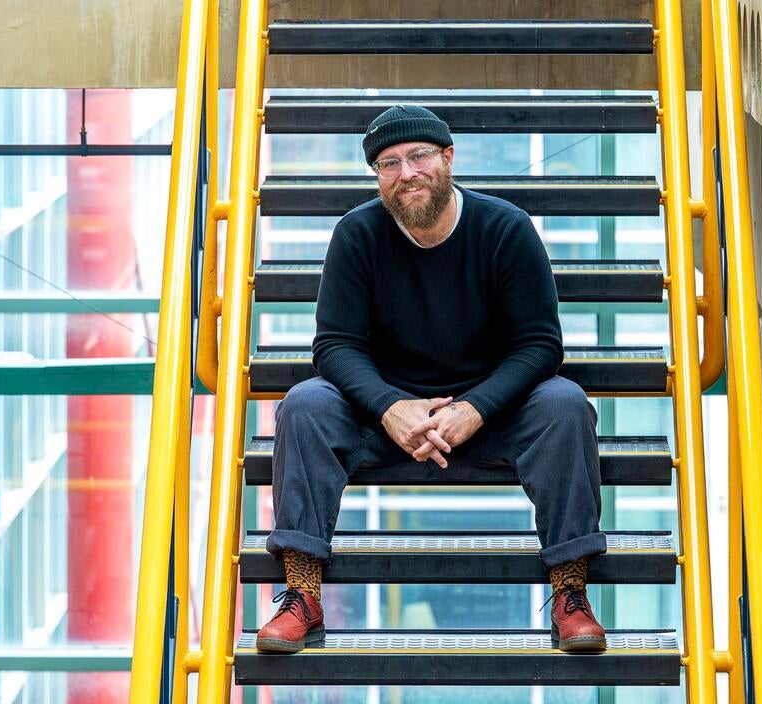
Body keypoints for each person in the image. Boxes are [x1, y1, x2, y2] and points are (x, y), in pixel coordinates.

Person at [255, 105, 608, 654]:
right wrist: (391, 407)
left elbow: (540, 345)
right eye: (388, 164)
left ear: (448, 158)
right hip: (385, 421)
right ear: (377, 178)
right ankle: (302, 594)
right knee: (305, 404)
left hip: (490, 418)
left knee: (565, 404)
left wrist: (474, 408)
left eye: (418, 156)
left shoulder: (503, 228)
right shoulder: (357, 234)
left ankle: (571, 593)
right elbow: (334, 346)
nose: (406, 173)